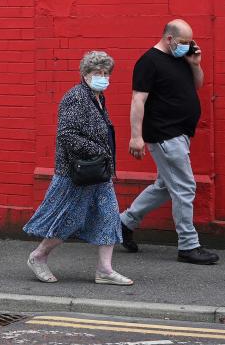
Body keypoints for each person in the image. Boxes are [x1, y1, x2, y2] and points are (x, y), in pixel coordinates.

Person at [24, 50, 133, 286]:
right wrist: (98, 151)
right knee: (68, 219)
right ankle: (38, 256)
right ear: (85, 74)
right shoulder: (76, 97)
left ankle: (105, 270)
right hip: (78, 173)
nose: (103, 77)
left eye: (106, 73)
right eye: (97, 72)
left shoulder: (97, 97)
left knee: (109, 217)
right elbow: (67, 135)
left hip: (98, 172)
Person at [119, 19, 220, 265]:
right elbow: (138, 101)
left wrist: (195, 64)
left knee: (165, 187)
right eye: (184, 42)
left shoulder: (180, 59)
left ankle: (123, 224)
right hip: (165, 135)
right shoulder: (148, 62)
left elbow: (197, 85)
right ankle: (188, 245)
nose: (188, 46)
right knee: (185, 188)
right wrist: (136, 136)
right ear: (169, 39)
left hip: (180, 135)